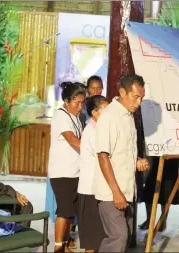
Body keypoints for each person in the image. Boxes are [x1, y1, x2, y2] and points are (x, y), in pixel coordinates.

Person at [93, 75, 150, 252]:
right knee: (119, 237)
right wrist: (116, 192)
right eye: (135, 97)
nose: (139, 102)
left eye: (141, 98)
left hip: (127, 190)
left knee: (125, 240)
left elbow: (122, 153)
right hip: (112, 193)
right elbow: (103, 156)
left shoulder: (128, 116)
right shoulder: (109, 116)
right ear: (122, 92)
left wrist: (137, 161)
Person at [48, 81, 86, 252]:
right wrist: (94, 151)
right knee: (64, 210)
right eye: (77, 103)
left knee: (71, 211)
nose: (80, 107)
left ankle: (65, 243)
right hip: (62, 172)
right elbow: (73, 140)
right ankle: (57, 246)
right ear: (66, 101)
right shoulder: (61, 115)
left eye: (82, 102)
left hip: (75, 171)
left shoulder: (76, 117)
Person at [77, 95, 108, 252]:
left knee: (98, 239)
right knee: (92, 242)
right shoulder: (92, 132)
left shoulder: (97, 130)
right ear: (95, 113)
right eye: (106, 109)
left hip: (95, 190)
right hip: (90, 191)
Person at [138, 157, 179, 232]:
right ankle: (149, 220)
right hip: (157, 157)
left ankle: (162, 222)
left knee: (166, 193)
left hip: (171, 161)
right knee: (149, 190)